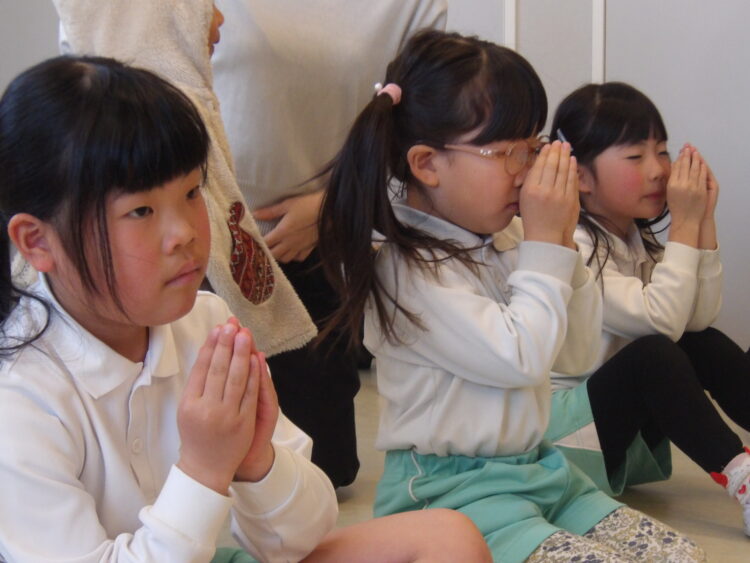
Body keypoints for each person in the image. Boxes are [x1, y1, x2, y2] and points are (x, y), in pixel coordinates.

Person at [0, 55, 493, 563]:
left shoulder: (206, 324)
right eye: (141, 211)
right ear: (37, 241)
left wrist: (258, 461)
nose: (185, 233)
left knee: (446, 538)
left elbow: (299, 539)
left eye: (191, 192)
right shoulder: (19, 394)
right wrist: (204, 469)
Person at [317, 30, 707, 562]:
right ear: (427, 163)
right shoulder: (406, 271)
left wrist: (560, 242)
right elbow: (520, 358)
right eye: (508, 153)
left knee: (681, 556)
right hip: (453, 495)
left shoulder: (510, 236)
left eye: (533, 147)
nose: (527, 171)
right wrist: (546, 245)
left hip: (539, 469)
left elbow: (573, 355)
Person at [211, 0, 448, 487]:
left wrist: (333, 208)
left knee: (323, 469)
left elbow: (417, 136)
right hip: (196, 229)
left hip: (310, 244)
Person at [50, 0, 317, 359]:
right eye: (141, 211)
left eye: (193, 192)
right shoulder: (31, 378)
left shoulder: (210, 316)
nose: (219, 19)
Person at [546, 81, 750, 536]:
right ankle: (743, 478)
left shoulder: (634, 241)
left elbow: (696, 320)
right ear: (580, 177)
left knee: (700, 341)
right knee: (655, 354)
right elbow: (661, 321)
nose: (659, 170)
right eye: (636, 156)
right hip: (564, 441)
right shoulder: (572, 245)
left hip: (615, 426)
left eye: (662, 151)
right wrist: (685, 222)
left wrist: (702, 220)